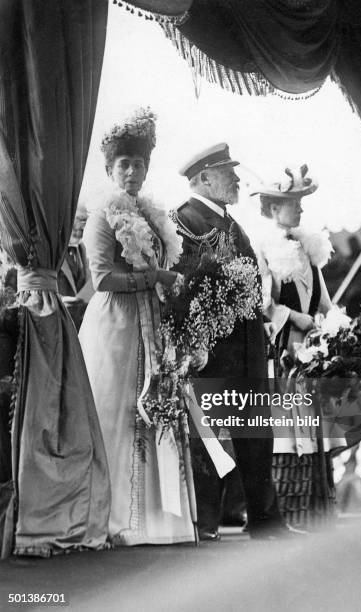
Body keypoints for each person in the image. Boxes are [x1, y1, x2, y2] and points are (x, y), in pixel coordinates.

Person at [79, 108, 194, 545]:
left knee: (155, 410)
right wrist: (156, 279)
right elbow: (102, 278)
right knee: (119, 410)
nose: (131, 171)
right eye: (123, 164)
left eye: (138, 164)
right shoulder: (103, 216)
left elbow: (163, 264)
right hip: (116, 324)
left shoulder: (150, 213)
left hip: (151, 322)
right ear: (110, 169)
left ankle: (157, 520)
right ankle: (118, 519)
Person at [172, 143, 295, 540]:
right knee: (210, 438)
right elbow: (182, 288)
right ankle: (205, 526)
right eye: (227, 171)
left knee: (256, 434)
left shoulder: (230, 222)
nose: (237, 178)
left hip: (247, 348)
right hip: (214, 351)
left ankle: (265, 520)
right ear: (204, 178)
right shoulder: (184, 220)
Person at [253, 165, 339, 529]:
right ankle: (289, 509)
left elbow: (323, 299)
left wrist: (339, 326)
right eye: (292, 203)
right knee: (288, 432)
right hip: (284, 348)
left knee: (316, 428)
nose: (300, 209)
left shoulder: (308, 244)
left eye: (301, 202)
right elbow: (261, 302)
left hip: (312, 350)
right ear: (274, 209)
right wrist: (294, 318)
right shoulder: (263, 246)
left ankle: (318, 507)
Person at [58, 205, 89, 330]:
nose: (79, 234)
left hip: (79, 319)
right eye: (75, 229)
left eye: (82, 231)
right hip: (60, 317)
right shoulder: (55, 250)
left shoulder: (83, 249)